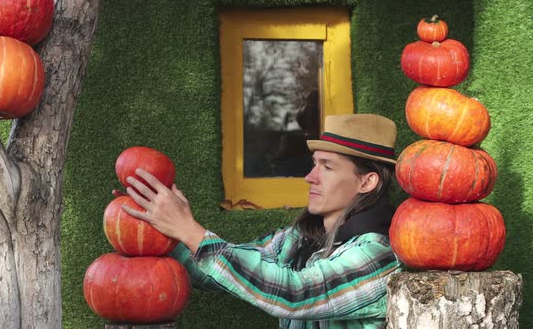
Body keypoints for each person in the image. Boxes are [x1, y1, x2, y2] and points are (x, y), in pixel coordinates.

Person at [120, 113, 402, 328]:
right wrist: (162, 227)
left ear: (367, 182)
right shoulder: (300, 237)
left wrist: (189, 229)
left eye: (327, 167)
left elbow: (296, 294)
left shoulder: (378, 254)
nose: (310, 176)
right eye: (315, 163)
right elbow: (222, 273)